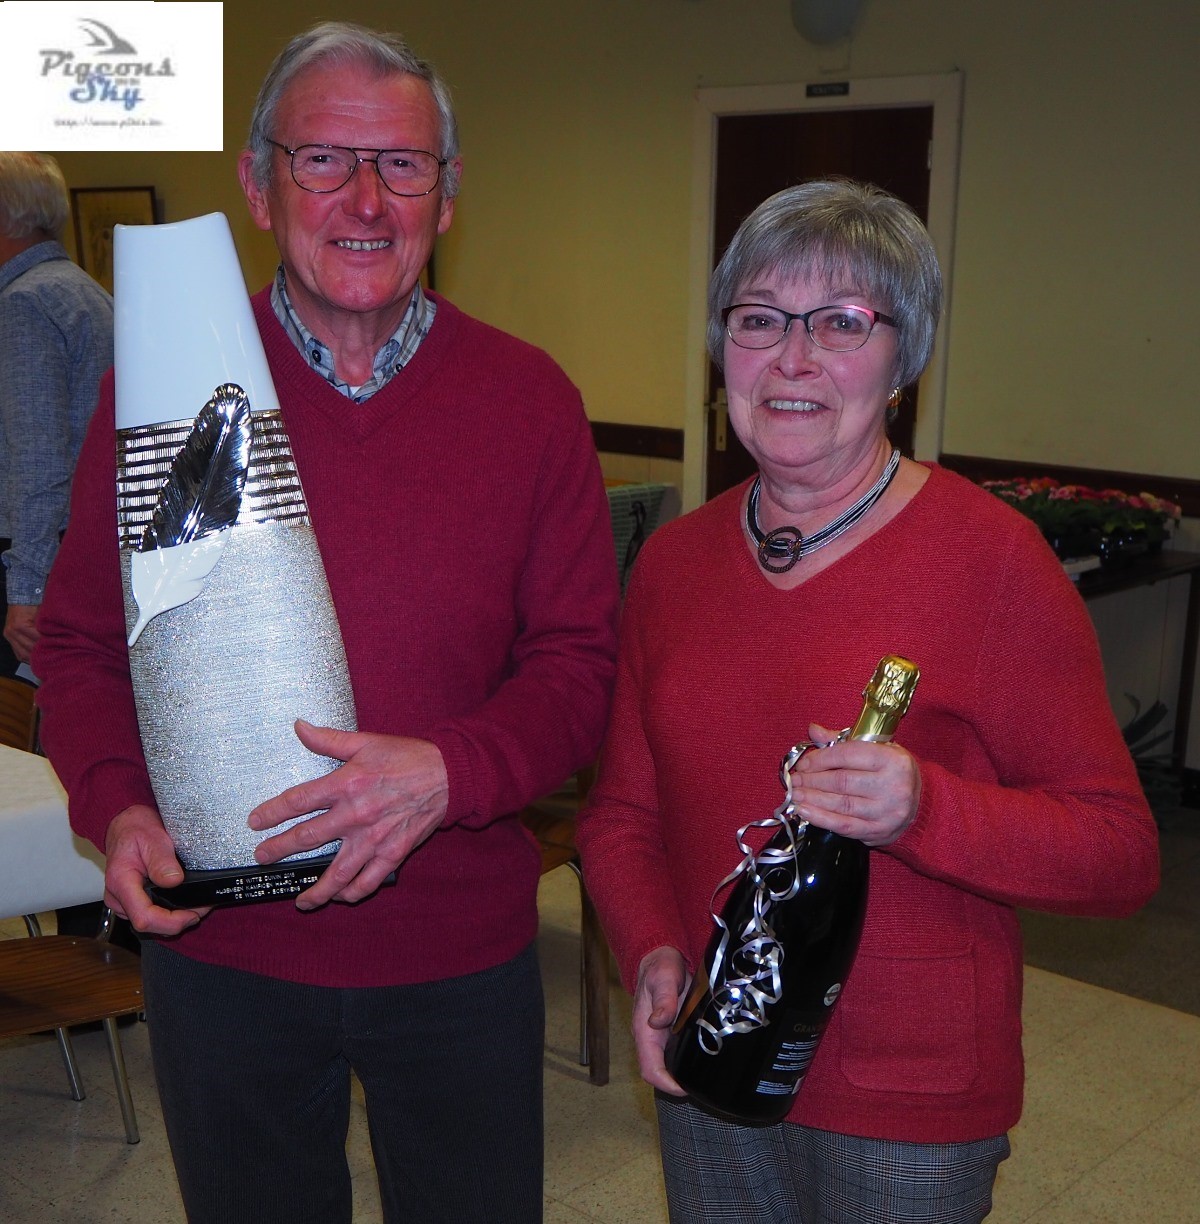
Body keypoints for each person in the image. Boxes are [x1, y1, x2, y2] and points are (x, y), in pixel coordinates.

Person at [33, 22, 619, 1224]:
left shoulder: (530, 402)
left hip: (458, 953)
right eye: (323, 160)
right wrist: (115, 803)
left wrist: (451, 771)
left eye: (402, 164)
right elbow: (83, 644)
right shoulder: (162, 392)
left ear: (446, 196)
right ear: (260, 187)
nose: (365, 199)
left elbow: (579, 668)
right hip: (223, 953)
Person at [575, 179, 1159, 1223]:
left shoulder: (992, 561)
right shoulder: (673, 564)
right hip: (715, 1049)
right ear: (722, 349)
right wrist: (653, 951)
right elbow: (622, 813)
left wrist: (923, 809)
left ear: (903, 361)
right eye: (760, 320)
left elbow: (1119, 852)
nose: (793, 359)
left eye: (843, 323)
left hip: (909, 1102)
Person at [0, 152, 113, 677]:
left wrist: (25, 592)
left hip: (39, 557)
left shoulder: (23, 303)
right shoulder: (82, 289)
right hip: (84, 546)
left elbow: (39, 461)